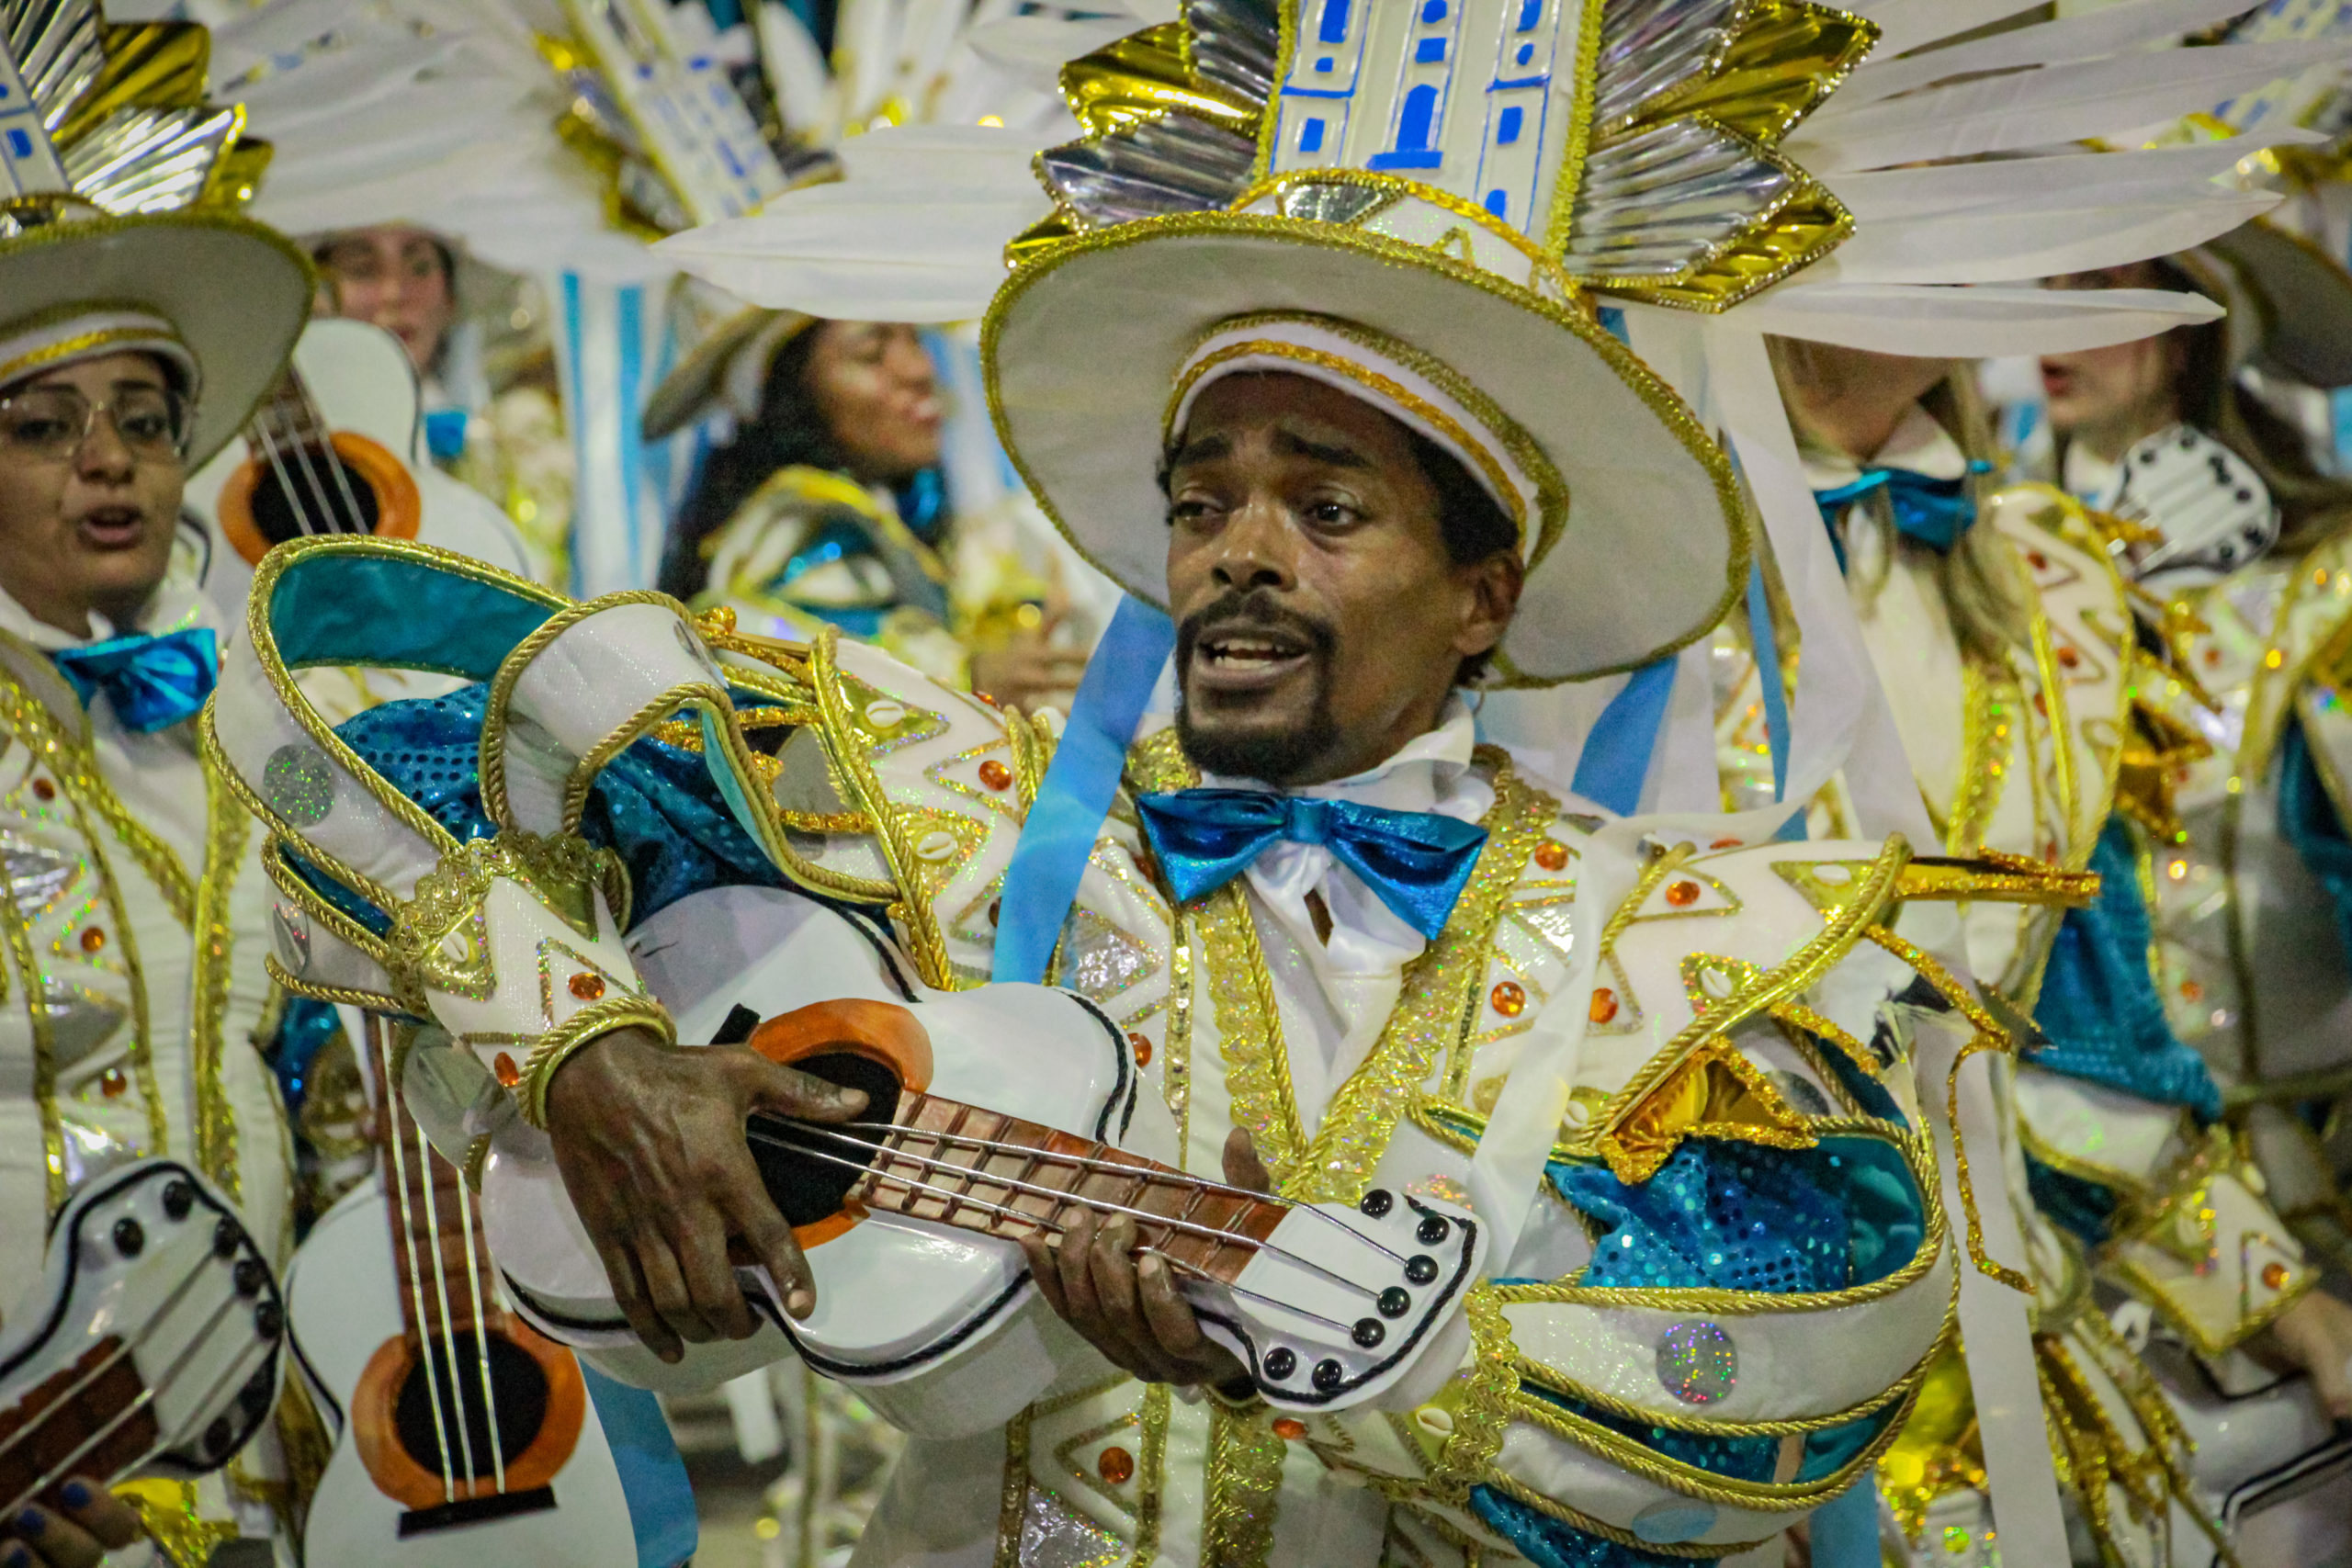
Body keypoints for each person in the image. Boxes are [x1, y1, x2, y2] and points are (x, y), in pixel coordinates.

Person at [1720, 338, 2352, 1564]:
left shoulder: (2044, 576)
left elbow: (2084, 1014)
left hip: (2016, 1354)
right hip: (1712, 1374)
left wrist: (2271, 1288)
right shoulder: (1623, 577)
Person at [0, 5, 314, 1562]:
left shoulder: (274, 716)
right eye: (41, 427)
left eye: (140, 419)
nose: (107, 462)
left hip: (276, 1451)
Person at [2038, 238, 2352, 1281]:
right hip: (2090, 1167)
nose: (2052, 316)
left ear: (2187, 334)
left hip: (2317, 1157)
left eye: (2094, 283)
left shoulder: (2321, 591)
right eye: (2038, 285)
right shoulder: (1991, 586)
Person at [650, 309, 1088, 714]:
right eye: (872, 353)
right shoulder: (801, 528)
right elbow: (758, 643)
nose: (919, 369)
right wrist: (966, 680)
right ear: (794, 390)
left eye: (915, 341)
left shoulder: (904, 524)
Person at [311, 223, 576, 584]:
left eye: (419, 267)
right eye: (362, 271)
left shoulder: (514, 442)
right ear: (320, 299)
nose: (395, 293)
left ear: (450, 298)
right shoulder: (264, 459)